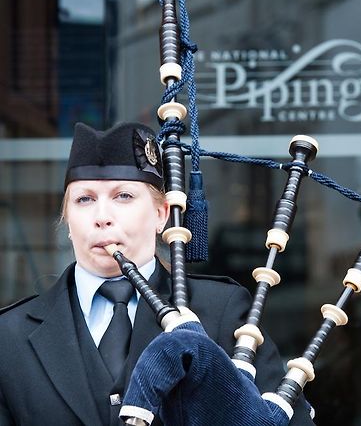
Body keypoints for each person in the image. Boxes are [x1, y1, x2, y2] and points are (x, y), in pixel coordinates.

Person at [0, 121, 314, 426]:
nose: (102, 217)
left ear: (162, 214)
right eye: (84, 199)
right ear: (67, 219)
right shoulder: (8, 336)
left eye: (123, 196)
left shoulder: (221, 311)